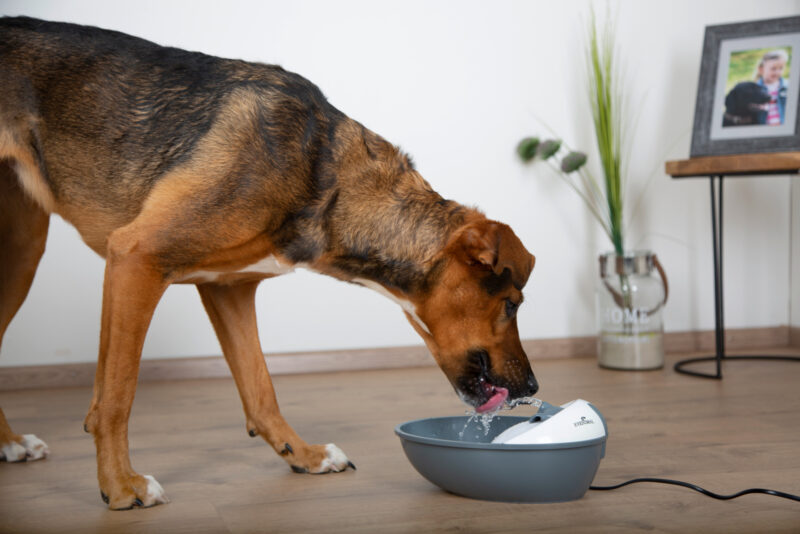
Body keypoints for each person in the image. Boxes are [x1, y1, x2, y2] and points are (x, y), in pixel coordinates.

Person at [754, 49, 789, 125]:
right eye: (773, 69)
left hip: (782, 125)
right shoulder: (755, 88)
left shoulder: (787, 86)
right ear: (761, 69)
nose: (777, 72)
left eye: (781, 68)